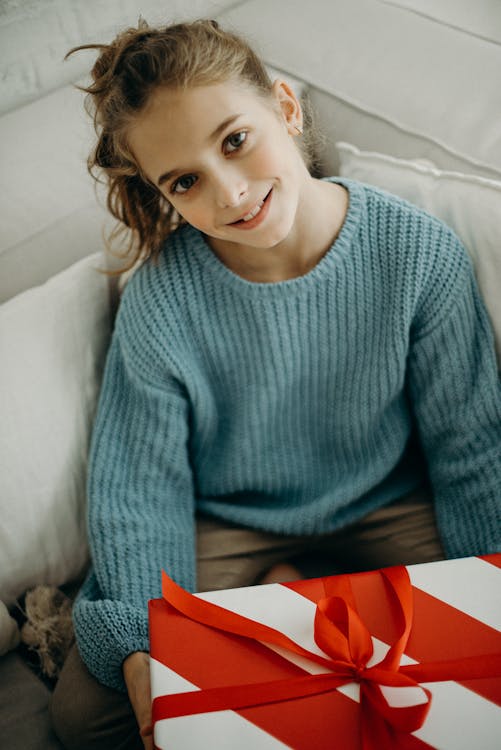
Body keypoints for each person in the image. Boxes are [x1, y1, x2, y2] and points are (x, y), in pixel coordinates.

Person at [50, 18, 501, 750]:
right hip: (229, 519)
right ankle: (289, 585)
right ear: (164, 193)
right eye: (185, 181)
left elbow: (471, 448)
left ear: (286, 109)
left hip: (384, 499)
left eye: (235, 140)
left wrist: (491, 591)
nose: (229, 193)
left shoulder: (419, 255)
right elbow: (139, 486)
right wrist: (139, 650)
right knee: (87, 714)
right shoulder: (162, 301)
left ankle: (300, 589)